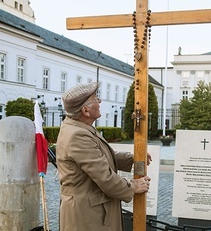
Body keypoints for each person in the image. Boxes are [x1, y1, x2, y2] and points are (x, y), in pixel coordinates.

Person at [56, 82, 151, 231]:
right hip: (87, 217)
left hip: (93, 212)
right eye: (95, 99)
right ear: (86, 110)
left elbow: (99, 156)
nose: (99, 101)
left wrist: (131, 158)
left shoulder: (80, 127)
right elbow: (105, 177)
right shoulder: (77, 134)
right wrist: (133, 187)